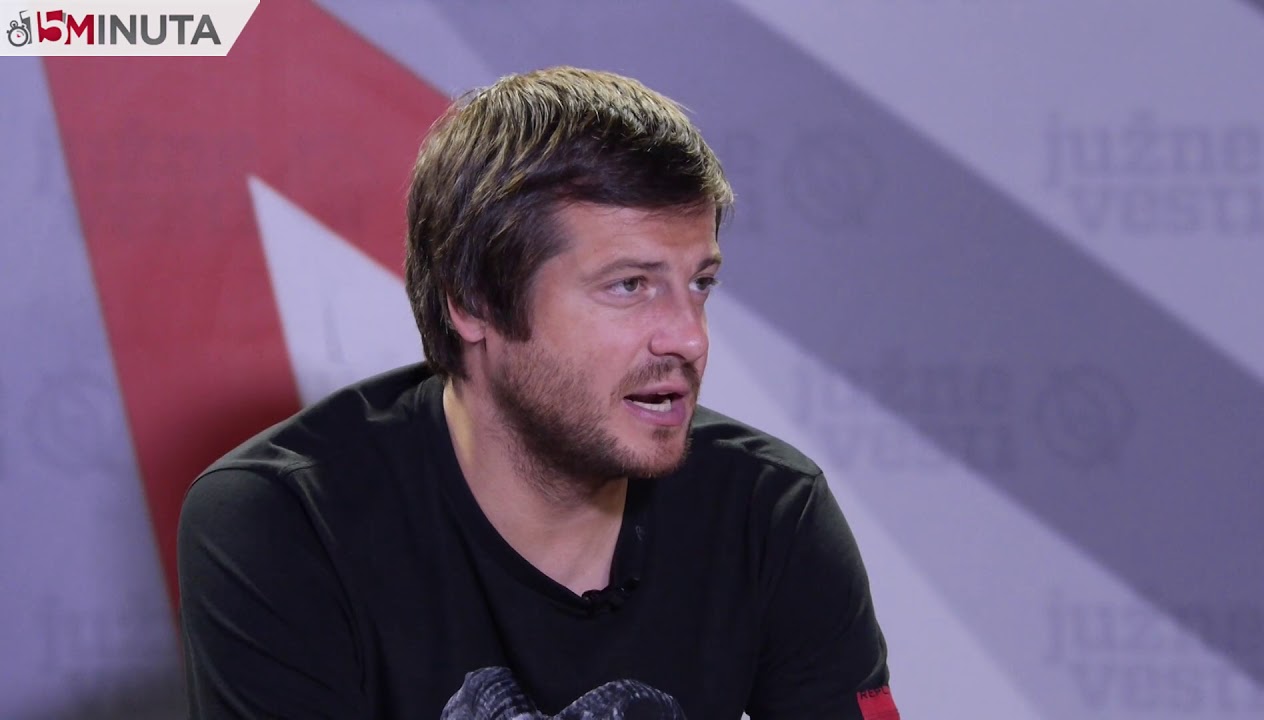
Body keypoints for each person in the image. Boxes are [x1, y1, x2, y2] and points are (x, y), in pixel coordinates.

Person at [178, 66, 897, 720]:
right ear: (474, 301)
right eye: (629, 285)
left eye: (700, 283)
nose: (689, 337)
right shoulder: (285, 520)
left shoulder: (769, 509)